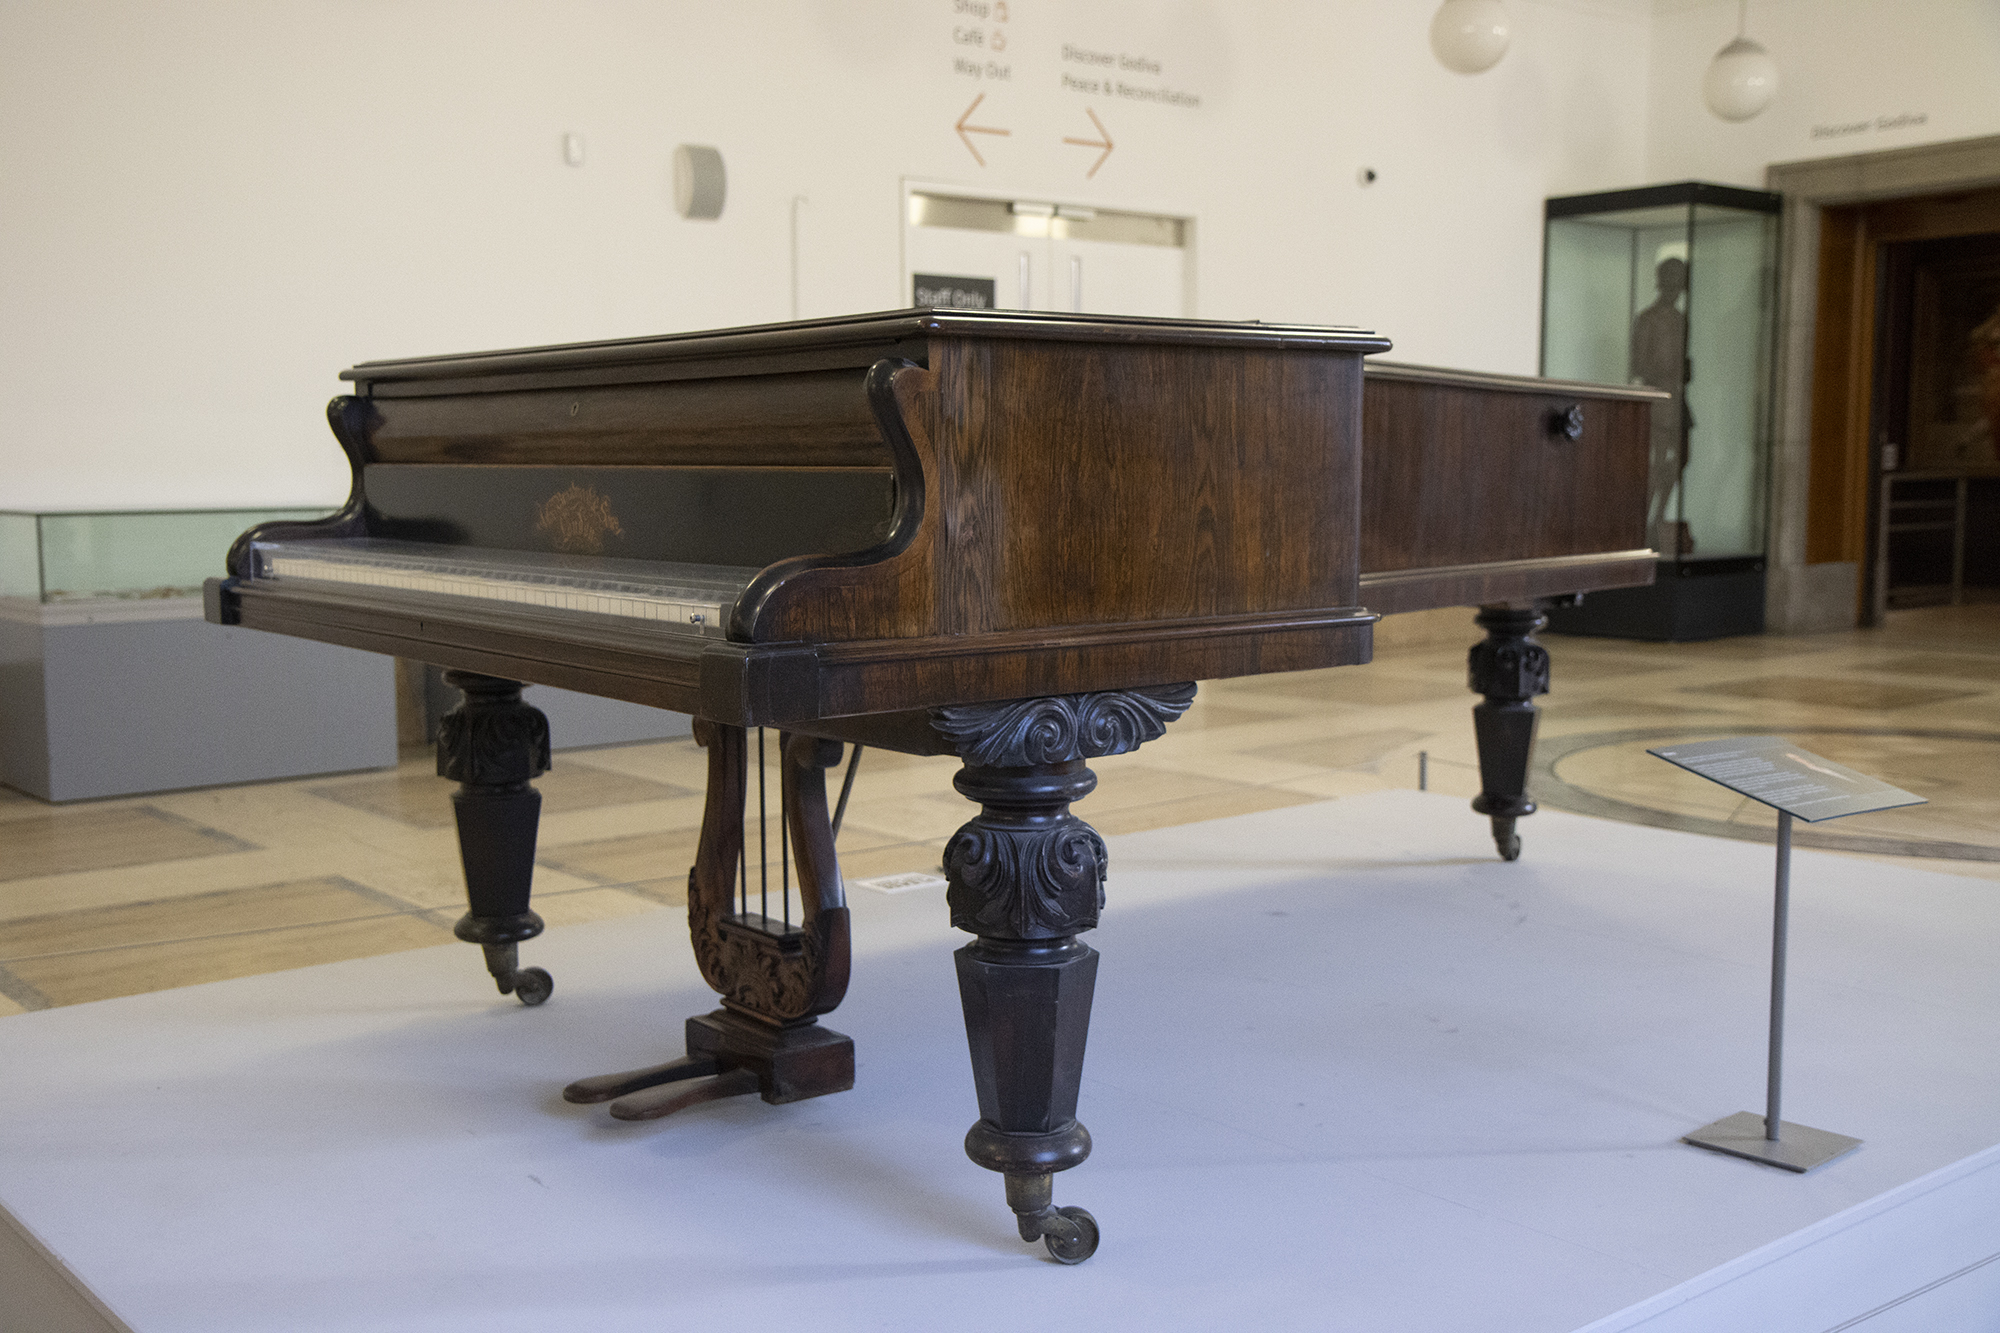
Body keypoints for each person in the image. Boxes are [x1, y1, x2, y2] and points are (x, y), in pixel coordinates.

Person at [1630, 257, 1693, 554]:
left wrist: (1683, 371)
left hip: (1675, 397)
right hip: (1657, 398)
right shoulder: (1648, 319)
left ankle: (1658, 518)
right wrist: (1664, 372)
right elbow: (1638, 364)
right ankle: (1644, 522)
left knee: (1681, 458)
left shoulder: (1680, 319)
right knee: (1654, 463)